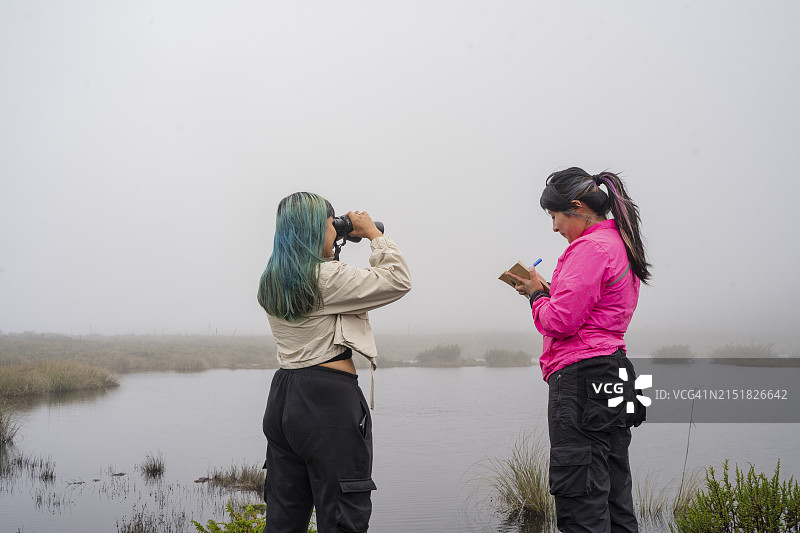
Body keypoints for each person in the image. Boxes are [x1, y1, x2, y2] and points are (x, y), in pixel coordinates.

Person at [506, 168, 651, 533]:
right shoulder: (620, 242)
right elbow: (593, 312)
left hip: (582, 379)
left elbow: (559, 322)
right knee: (615, 496)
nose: (554, 228)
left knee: (580, 498)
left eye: (554, 217)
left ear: (576, 207)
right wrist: (550, 292)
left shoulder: (589, 248)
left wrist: (537, 294)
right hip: (614, 372)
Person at [257, 192, 411, 533]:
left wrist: (337, 240)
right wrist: (373, 234)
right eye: (331, 226)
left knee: (284, 513)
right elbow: (398, 279)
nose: (335, 232)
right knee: (344, 512)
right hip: (327, 403)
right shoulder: (327, 278)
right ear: (316, 230)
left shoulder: (271, 281)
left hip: (283, 398)